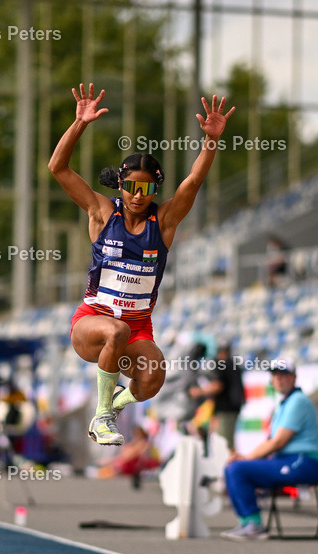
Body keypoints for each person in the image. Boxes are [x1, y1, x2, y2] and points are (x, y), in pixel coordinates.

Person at [50, 82, 234, 446]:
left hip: (137, 329)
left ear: (156, 190)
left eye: (147, 190)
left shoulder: (163, 223)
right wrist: (79, 124)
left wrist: (211, 140)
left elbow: (194, 180)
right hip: (91, 324)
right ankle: (103, 416)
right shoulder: (102, 213)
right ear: (120, 185)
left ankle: (108, 405)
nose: (138, 197)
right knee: (115, 331)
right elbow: (58, 168)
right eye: (131, 188)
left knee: (153, 379)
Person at [221, 359, 318, 541]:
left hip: (306, 462)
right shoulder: (284, 404)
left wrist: (246, 459)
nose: (278, 379)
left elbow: (278, 442)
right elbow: (271, 442)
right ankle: (248, 522)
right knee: (232, 468)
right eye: (275, 375)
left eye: (283, 375)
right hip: (288, 460)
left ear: (293, 378)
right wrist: (245, 458)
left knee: (238, 468)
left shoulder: (298, 401)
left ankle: (254, 526)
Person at [189, 343, 245, 451]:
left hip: (226, 409)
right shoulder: (233, 364)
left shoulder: (222, 364)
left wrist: (199, 391)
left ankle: (233, 466)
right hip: (231, 408)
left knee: (225, 443)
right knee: (225, 441)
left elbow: (218, 386)